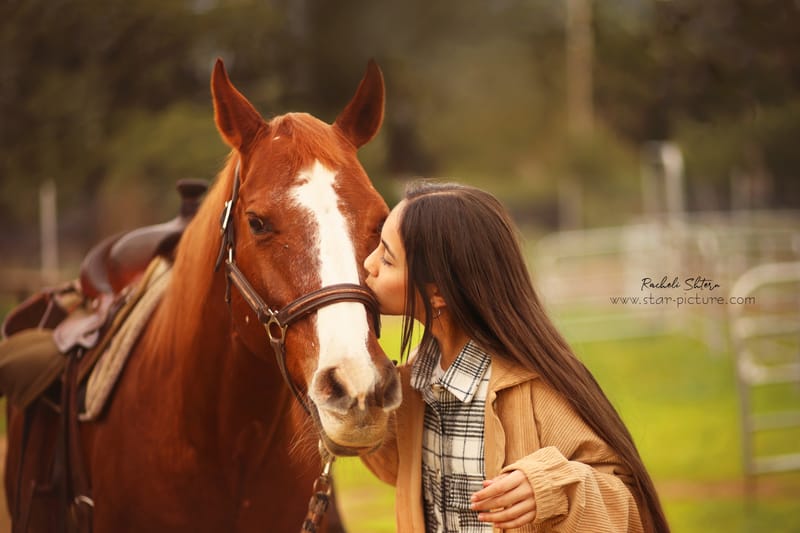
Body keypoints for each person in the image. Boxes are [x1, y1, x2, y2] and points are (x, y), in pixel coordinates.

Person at [361, 181, 669, 532]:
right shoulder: (413, 383)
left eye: (387, 258)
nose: (368, 265)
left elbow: (626, 504)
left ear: (439, 293)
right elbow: (398, 470)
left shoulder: (537, 388)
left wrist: (553, 489)